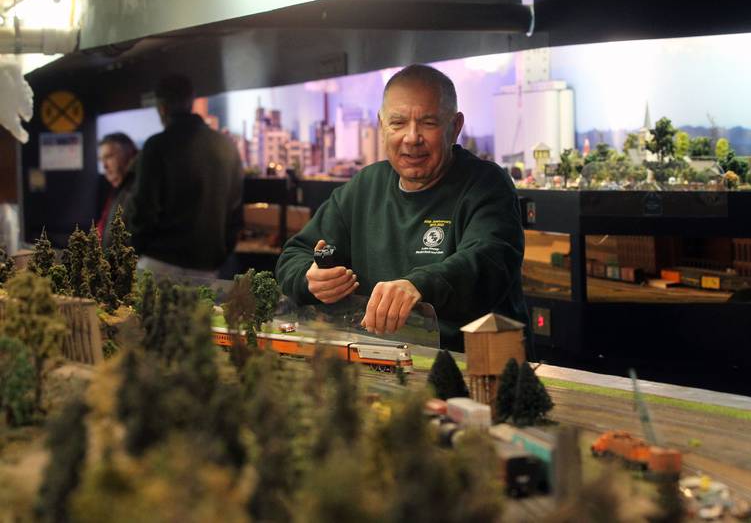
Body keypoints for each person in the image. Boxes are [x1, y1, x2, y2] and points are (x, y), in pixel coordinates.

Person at [276, 64, 532, 356]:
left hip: (474, 366)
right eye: (398, 123)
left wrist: (419, 285)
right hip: (379, 364)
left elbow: (488, 260)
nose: (412, 137)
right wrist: (310, 278)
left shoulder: (486, 184)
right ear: (381, 125)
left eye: (428, 122)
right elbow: (294, 254)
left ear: (455, 127)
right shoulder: (364, 187)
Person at [128, 74, 243, 279]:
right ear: (191, 101)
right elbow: (235, 212)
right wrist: (220, 254)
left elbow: (144, 208)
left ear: (161, 107)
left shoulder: (157, 146)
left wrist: (136, 248)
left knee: (151, 312)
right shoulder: (226, 146)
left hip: (160, 261)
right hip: (207, 266)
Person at [97, 132, 137, 248]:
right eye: (101, 160)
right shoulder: (119, 191)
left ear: (130, 155)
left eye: (109, 157)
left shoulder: (138, 191)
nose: (104, 166)